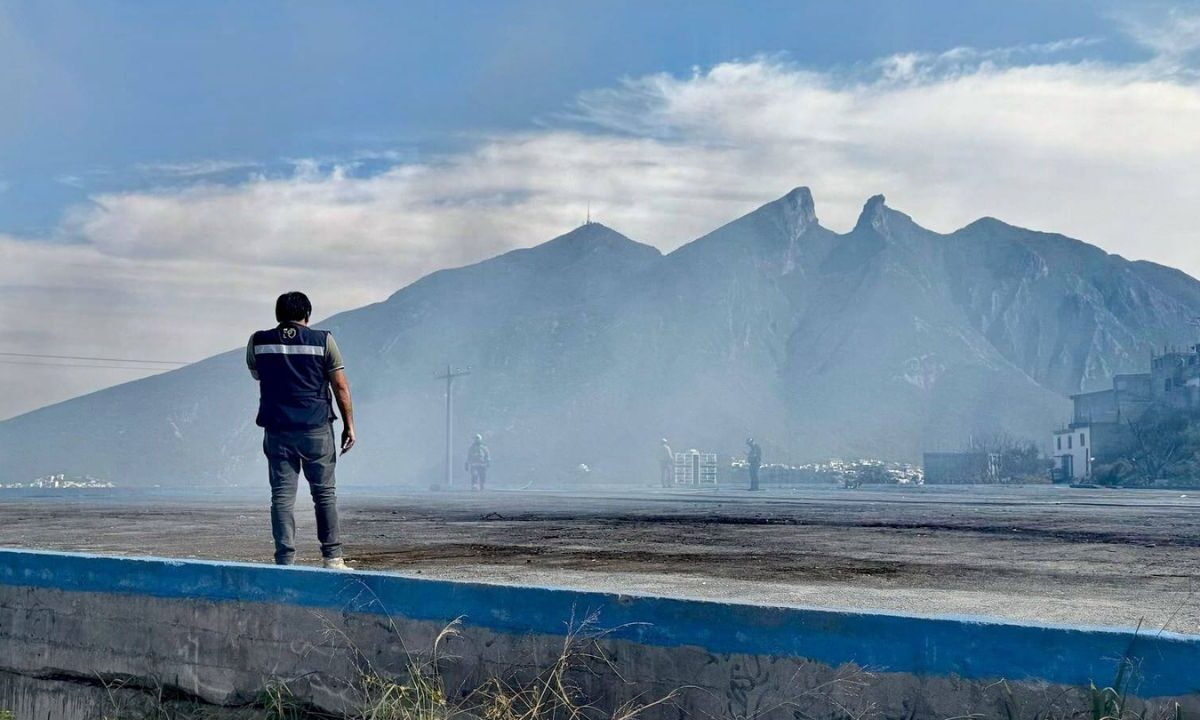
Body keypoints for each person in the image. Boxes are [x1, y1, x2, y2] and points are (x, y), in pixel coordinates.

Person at [247, 291, 355, 569]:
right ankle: (332, 558)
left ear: (278, 315)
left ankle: (284, 560)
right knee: (324, 494)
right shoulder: (323, 341)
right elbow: (340, 386)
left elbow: (258, 374)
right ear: (307, 315)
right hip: (316, 429)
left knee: (282, 496)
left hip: (277, 430)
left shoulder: (258, 342)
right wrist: (349, 426)